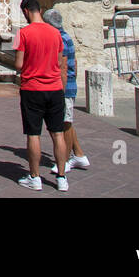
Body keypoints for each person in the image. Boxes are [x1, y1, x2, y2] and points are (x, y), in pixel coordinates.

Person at [13, 0, 69, 192]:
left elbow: (19, 65)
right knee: (58, 133)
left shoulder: (24, 33)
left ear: (26, 11)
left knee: (33, 134)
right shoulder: (56, 33)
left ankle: (35, 177)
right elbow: (62, 62)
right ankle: (62, 177)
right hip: (54, 89)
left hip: (33, 89)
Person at [43, 9, 89, 173]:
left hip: (63, 87)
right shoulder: (65, 36)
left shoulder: (60, 39)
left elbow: (62, 66)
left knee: (64, 124)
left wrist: (60, 91)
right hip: (67, 84)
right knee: (66, 122)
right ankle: (79, 154)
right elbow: (74, 63)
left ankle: (66, 160)